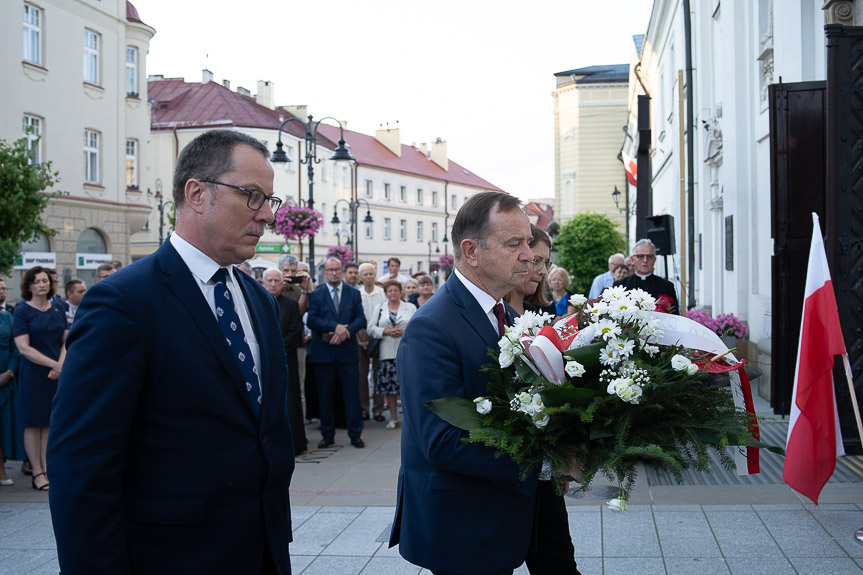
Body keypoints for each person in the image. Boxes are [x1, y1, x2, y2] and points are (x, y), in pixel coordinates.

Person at [47, 129, 295, 574]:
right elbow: (82, 466)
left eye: (270, 201)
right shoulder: (123, 302)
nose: (266, 217)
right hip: (170, 556)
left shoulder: (258, 300)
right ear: (197, 193)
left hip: (261, 550)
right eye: (252, 196)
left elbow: (264, 431)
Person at [389, 191, 581, 574]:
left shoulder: (505, 312)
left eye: (528, 241)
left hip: (508, 507)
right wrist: (545, 462)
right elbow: (442, 443)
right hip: (463, 523)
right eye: (514, 244)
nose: (528, 254)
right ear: (471, 251)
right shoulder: (430, 327)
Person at [12, 266, 67, 491]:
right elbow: (23, 348)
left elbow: (66, 339)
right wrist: (53, 364)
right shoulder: (22, 311)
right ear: (29, 285)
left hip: (57, 373)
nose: (42, 284)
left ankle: (48, 467)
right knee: (34, 424)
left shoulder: (58, 308)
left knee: (51, 423)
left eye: (45, 280)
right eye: (37, 281)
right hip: (34, 373)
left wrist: (61, 365)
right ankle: (37, 472)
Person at [307, 257, 366, 449]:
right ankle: (328, 434)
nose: (334, 273)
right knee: (325, 397)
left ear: (342, 271)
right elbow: (312, 320)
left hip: (347, 353)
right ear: (324, 272)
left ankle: (355, 433)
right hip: (323, 354)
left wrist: (346, 332)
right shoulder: (316, 295)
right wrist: (336, 327)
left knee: (352, 396)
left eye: (337, 269)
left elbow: (361, 319)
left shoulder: (353, 294)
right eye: (330, 270)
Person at [263, 268, 307, 455]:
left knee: (291, 402)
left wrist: (277, 348)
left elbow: (295, 330)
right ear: (263, 282)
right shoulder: (257, 301)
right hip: (263, 361)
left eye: (276, 280)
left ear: (282, 283)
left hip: (286, 358)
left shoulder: (290, 304)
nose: (273, 284)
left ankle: (295, 443)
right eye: (269, 280)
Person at [367, 280, 415, 430]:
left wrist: (404, 331)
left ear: (400, 292)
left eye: (395, 290)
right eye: (390, 291)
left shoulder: (410, 307)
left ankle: (411, 419)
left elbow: (417, 325)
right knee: (390, 388)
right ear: (386, 293)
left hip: (407, 352)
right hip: (386, 352)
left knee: (408, 386)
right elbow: (370, 329)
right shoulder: (379, 308)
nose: (393, 293)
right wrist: (385, 332)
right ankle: (393, 418)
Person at [614, 238, 680, 314]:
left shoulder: (666, 287)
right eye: (640, 256)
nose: (645, 260)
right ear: (632, 259)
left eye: (649, 256)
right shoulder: (620, 285)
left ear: (654, 259)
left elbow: (674, 317)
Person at [505, 225, 555, 316]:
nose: (544, 271)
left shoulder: (534, 313)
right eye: (536, 260)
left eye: (546, 262)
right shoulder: (497, 315)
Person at [357, 263, 385, 421]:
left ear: (374, 275)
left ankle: (379, 409)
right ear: (361, 277)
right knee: (361, 375)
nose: (368, 277)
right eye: (365, 274)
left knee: (378, 373)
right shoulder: (357, 293)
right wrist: (360, 339)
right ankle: (364, 408)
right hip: (360, 333)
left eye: (370, 274)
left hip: (378, 334)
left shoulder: (381, 293)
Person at [0, 305, 22, 486]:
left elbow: (15, 347)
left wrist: (10, 371)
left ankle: (1, 469)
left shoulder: (6, 316)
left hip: (5, 378)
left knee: (3, 426)